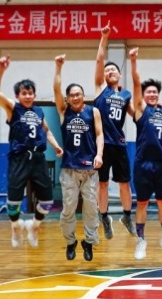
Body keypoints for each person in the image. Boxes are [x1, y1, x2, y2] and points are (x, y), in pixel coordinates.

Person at [0, 55, 63, 248]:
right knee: (13, 202)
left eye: (31, 93)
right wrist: (1, 71)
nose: (28, 96)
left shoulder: (38, 111)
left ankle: (34, 226)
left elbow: (46, 131)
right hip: (19, 158)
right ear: (18, 96)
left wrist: (56, 145)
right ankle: (15, 227)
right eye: (24, 93)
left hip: (38, 158)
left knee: (47, 201)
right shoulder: (13, 109)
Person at [128, 48, 162, 260]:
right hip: (143, 163)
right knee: (142, 203)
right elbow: (136, 83)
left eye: (155, 92)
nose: (152, 94)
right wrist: (133, 61)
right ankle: (141, 240)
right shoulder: (141, 110)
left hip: (161, 164)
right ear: (143, 95)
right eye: (148, 92)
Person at [54, 54, 104, 261]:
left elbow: (100, 135)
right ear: (67, 98)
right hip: (69, 169)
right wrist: (58, 68)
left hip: (90, 169)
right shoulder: (64, 111)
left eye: (79, 94)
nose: (76, 97)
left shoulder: (93, 112)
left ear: (83, 96)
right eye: (72, 95)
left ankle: (89, 242)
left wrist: (99, 154)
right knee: (68, 209)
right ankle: (70, 241)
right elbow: (56, 89)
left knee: (91, 209)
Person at [94, 21, 136, 240]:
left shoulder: (125, 95)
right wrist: (104, 38)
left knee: (124, 183)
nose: (110, 71)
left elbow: (137, 115)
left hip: (119, 144)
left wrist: (155, 109)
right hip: (102, 145)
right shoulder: (101, 89)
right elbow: (99, 60)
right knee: (102, 184)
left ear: (119, 75)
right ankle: (104, 218)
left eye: (114, 70)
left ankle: (127, 217)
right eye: (107, 70)